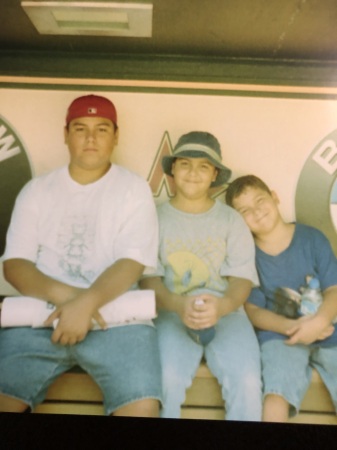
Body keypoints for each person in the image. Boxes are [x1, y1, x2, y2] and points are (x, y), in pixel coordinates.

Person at [0, 94, 162, 417]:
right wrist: (74, 302)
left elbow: (132, 263)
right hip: (41, 316)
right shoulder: (38, 189)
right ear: (65, 134)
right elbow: (15, 265)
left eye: (102, 129)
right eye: (80, 128)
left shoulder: (133, 188)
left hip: (115, 318)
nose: (90, 138)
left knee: (142, 407)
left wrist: (86, 305)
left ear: (116, 137)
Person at [140, 131, 262, 421]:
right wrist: (176, 305)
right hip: (172, 311)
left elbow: (242, 278)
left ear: (215, 174)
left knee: (247, 382)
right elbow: (148, 278)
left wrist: (222, 306)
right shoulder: (153, 218)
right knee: (166, 380)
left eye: (203, 166)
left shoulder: (231, 219)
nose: (193, 173)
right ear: (172, 170)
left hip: (227, 313)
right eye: (185, 164)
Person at [226, 174, 337, 422]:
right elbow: (253, 310)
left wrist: (318, 322)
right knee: (276, 395)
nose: (256, 212)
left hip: (329, 329)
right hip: (280, 336)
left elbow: (334, 290)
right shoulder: (247, 255)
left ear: (275, 197)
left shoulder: (312, 238)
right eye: (245, 210)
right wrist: (293, 327)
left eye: (260, 200)